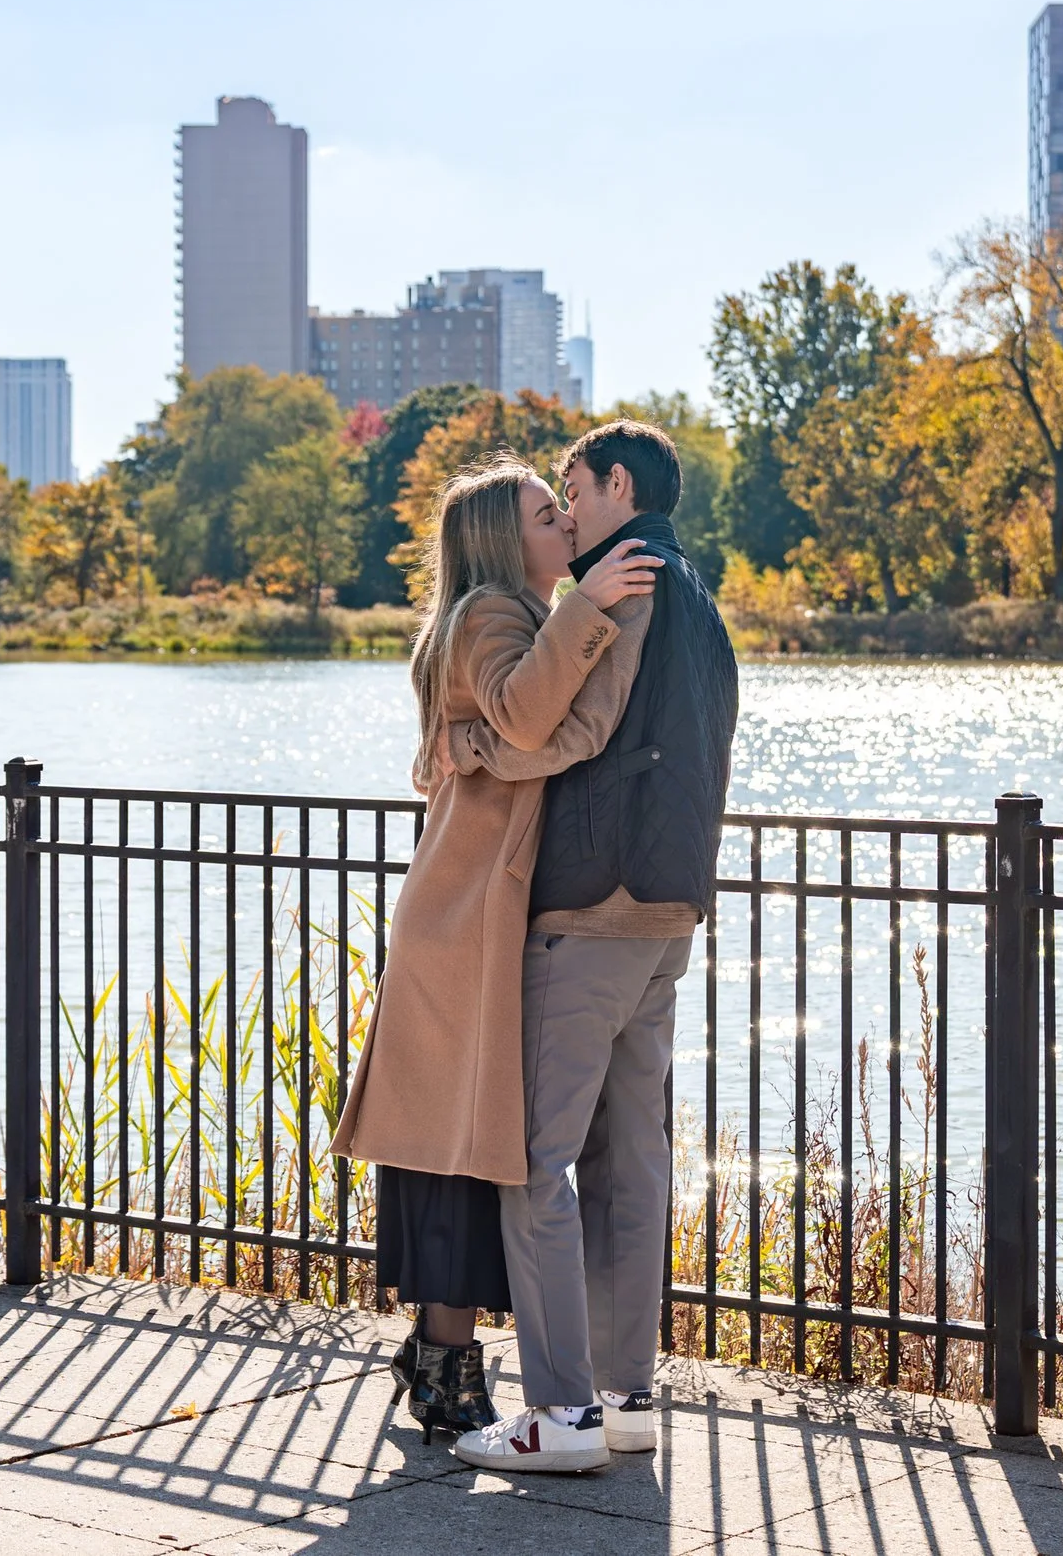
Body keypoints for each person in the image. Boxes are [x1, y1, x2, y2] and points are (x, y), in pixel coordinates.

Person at [332, 452, 661, 1445]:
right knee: (455, 1151)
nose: (565, 519)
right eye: (541, 511)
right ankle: (441, 1364)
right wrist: (587, 606)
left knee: (479, 1146)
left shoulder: (510, 616)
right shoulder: (489, 612)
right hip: (459, 925)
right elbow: (531, 724)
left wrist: (479, 747)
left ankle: (443, 1358)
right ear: (497, 536)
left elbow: (524, 738)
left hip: (480, 918)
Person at [441, 419, 740, 1473]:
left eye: (574, 484)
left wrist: (469, 745)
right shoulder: (701, 598)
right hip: (668, 911)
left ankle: (559, 1412)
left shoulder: (628, 585)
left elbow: (566, 728)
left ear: (617, 483)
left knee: (537, 1163)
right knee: (630, 1162)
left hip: (591, 907)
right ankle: (627, 1399)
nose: (567, 508)